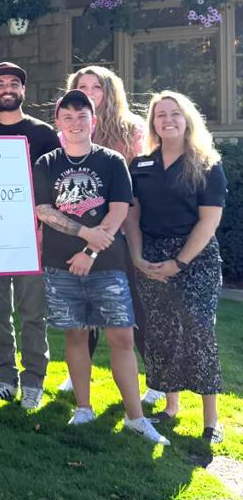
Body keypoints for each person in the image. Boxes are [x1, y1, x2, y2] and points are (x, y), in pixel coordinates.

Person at [33, 90, 169, 445]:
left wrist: (90, 251)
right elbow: (44, 210)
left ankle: (135, 417)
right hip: (60, 266)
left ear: (93, 121)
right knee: (75, 334)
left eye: (82, 117)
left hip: (106, 265)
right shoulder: (47, 163)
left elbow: (120, 208)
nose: (75, 124)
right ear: (58, 123)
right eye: (68, 118)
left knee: (121, 336)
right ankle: (83, 407)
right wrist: (83, 232)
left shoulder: (110, 161)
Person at [54, 66, 162, 405]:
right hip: (80, 235)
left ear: (109, 92)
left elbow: (134, 192)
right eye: (81, 87)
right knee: (82, 309)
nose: (88, 92)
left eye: (95, 87)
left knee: (133, 309)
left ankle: (157, 379)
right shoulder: (69, 132)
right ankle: (77, 376)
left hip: (124, 233)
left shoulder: (131, 131)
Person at [125, 91, 227, 444]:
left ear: (188, 120)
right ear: (153, 122)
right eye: (160, 115)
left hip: (195, 257)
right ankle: (170, 407)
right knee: (162, 330)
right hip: (151, 254)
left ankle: (212, 420)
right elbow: (133, 215)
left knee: (199, 332)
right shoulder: (141, 165)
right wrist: (138, 257)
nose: (167, 120)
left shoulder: (206, 164)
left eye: (175, 114)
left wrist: (179, 262)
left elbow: (209, 222)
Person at [0, 62, 61, 410]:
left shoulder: (42, 134)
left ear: (23, 91)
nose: (7, 89)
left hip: (33, 237)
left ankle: (35, 378)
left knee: (32, 311)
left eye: (14, 84)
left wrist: (42, 230)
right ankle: (5, 376)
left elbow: (54, 189)